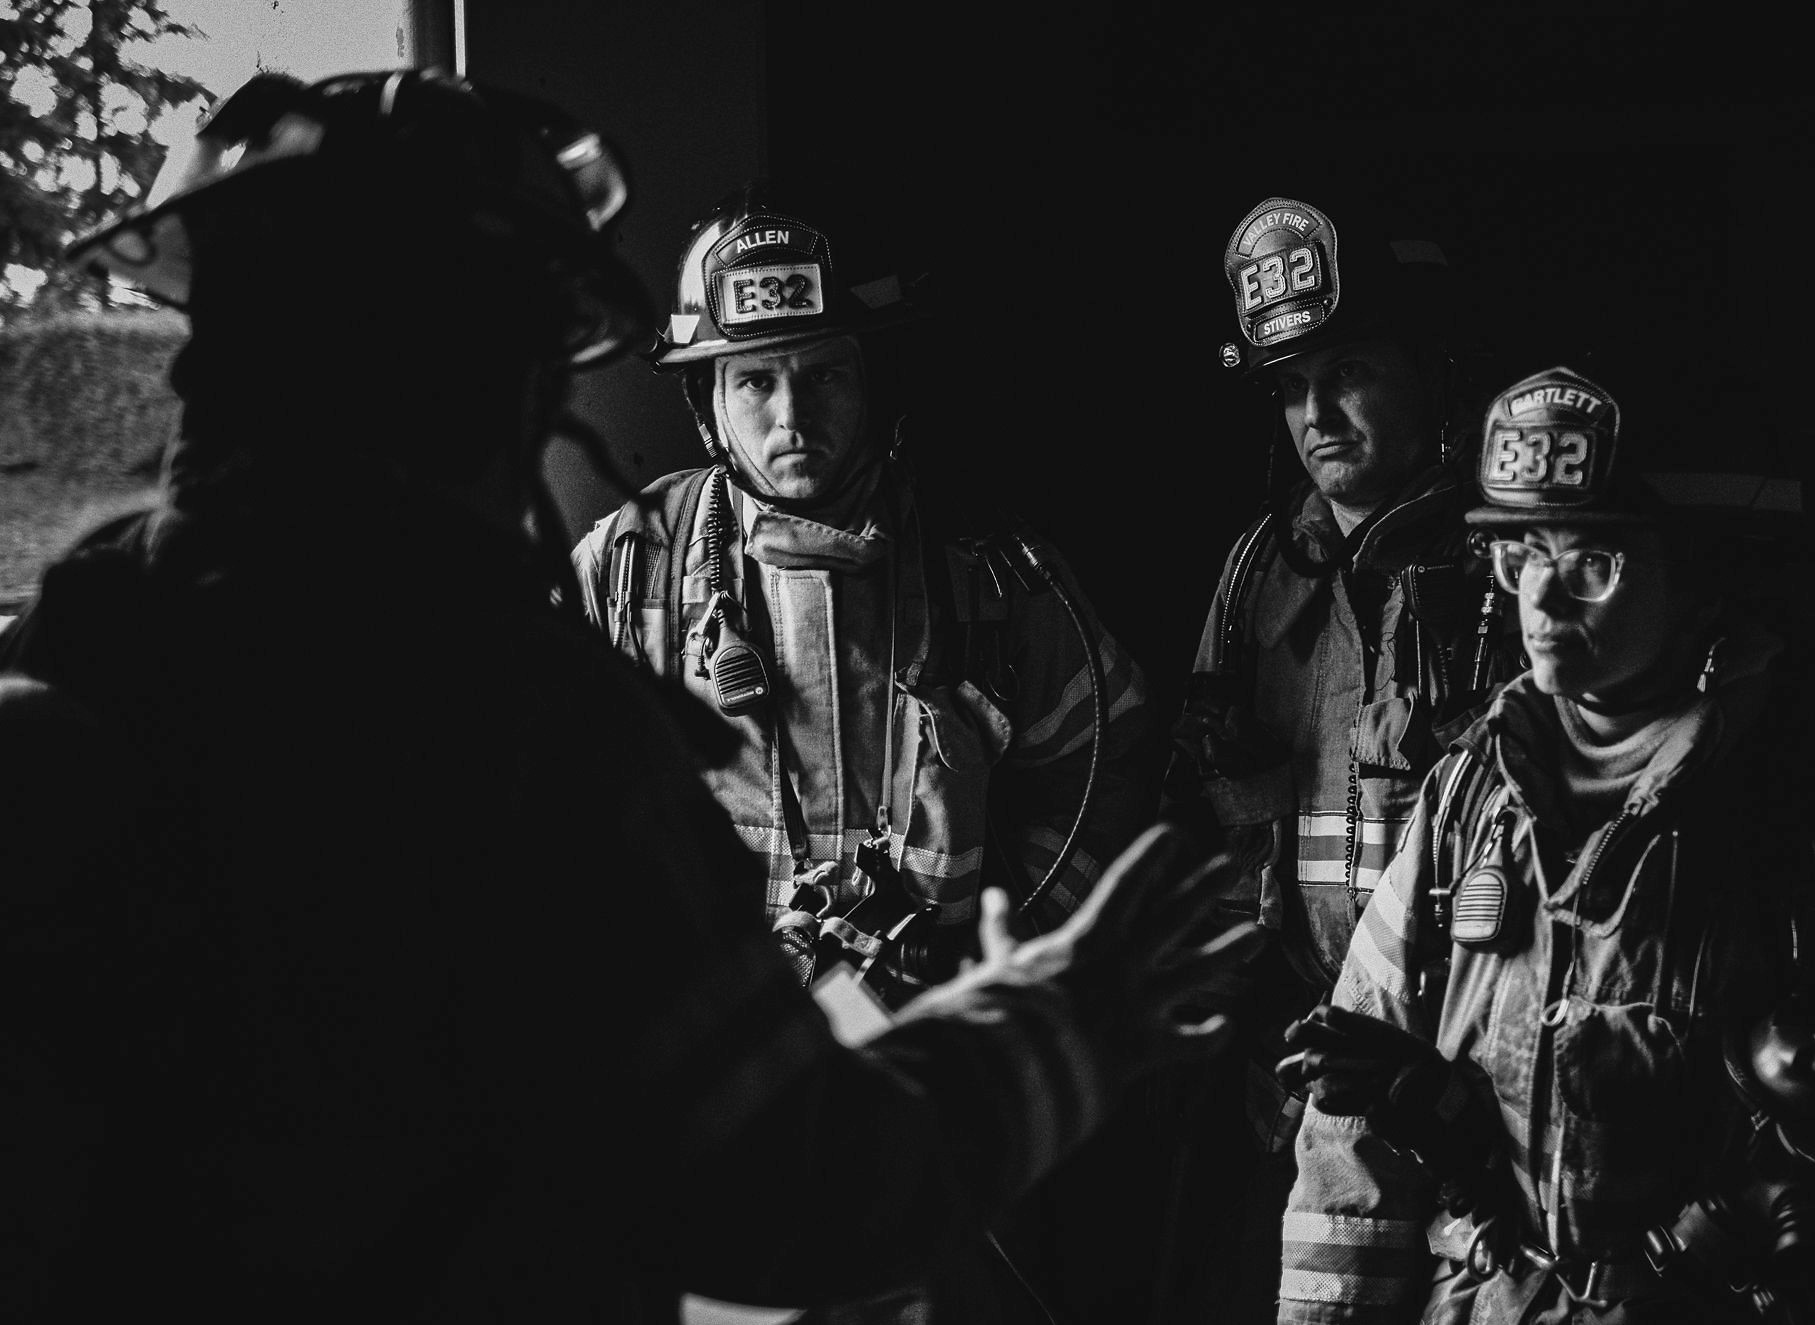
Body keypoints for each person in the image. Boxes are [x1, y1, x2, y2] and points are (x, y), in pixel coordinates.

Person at [0, 69, 1257, 1325]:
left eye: (820, 373)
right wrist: (1064, 1015)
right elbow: (795, 1185)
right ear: (476, 374)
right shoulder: (525, 722)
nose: (789, 414)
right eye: (528, 361)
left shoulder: (81, 645)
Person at [1274, 365, 1815, 1323]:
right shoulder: (1466, 802)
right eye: (1522, 554)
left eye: (1593, 560)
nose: (1543, 602)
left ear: (1703, 570)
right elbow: (1345, 1168)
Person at [569, 181, 1151, 1003]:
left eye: (825, 375)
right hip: (718, 1050)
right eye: (755, 382)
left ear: (875, 380)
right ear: (708, 405)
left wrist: (1003, 961)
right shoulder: (632, 567)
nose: (792, 417)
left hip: (939, 1047)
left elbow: (1105, 770)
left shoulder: (989, 571)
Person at [1154, 195, 1519, 1320]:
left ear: (1432, 375)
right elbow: (1209, 821)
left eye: (1348, 370)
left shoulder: (1514, 565)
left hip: (1478, 1078)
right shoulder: (1262, 572)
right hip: (1298, 1063)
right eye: (1289, 385)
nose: (1314, 413)